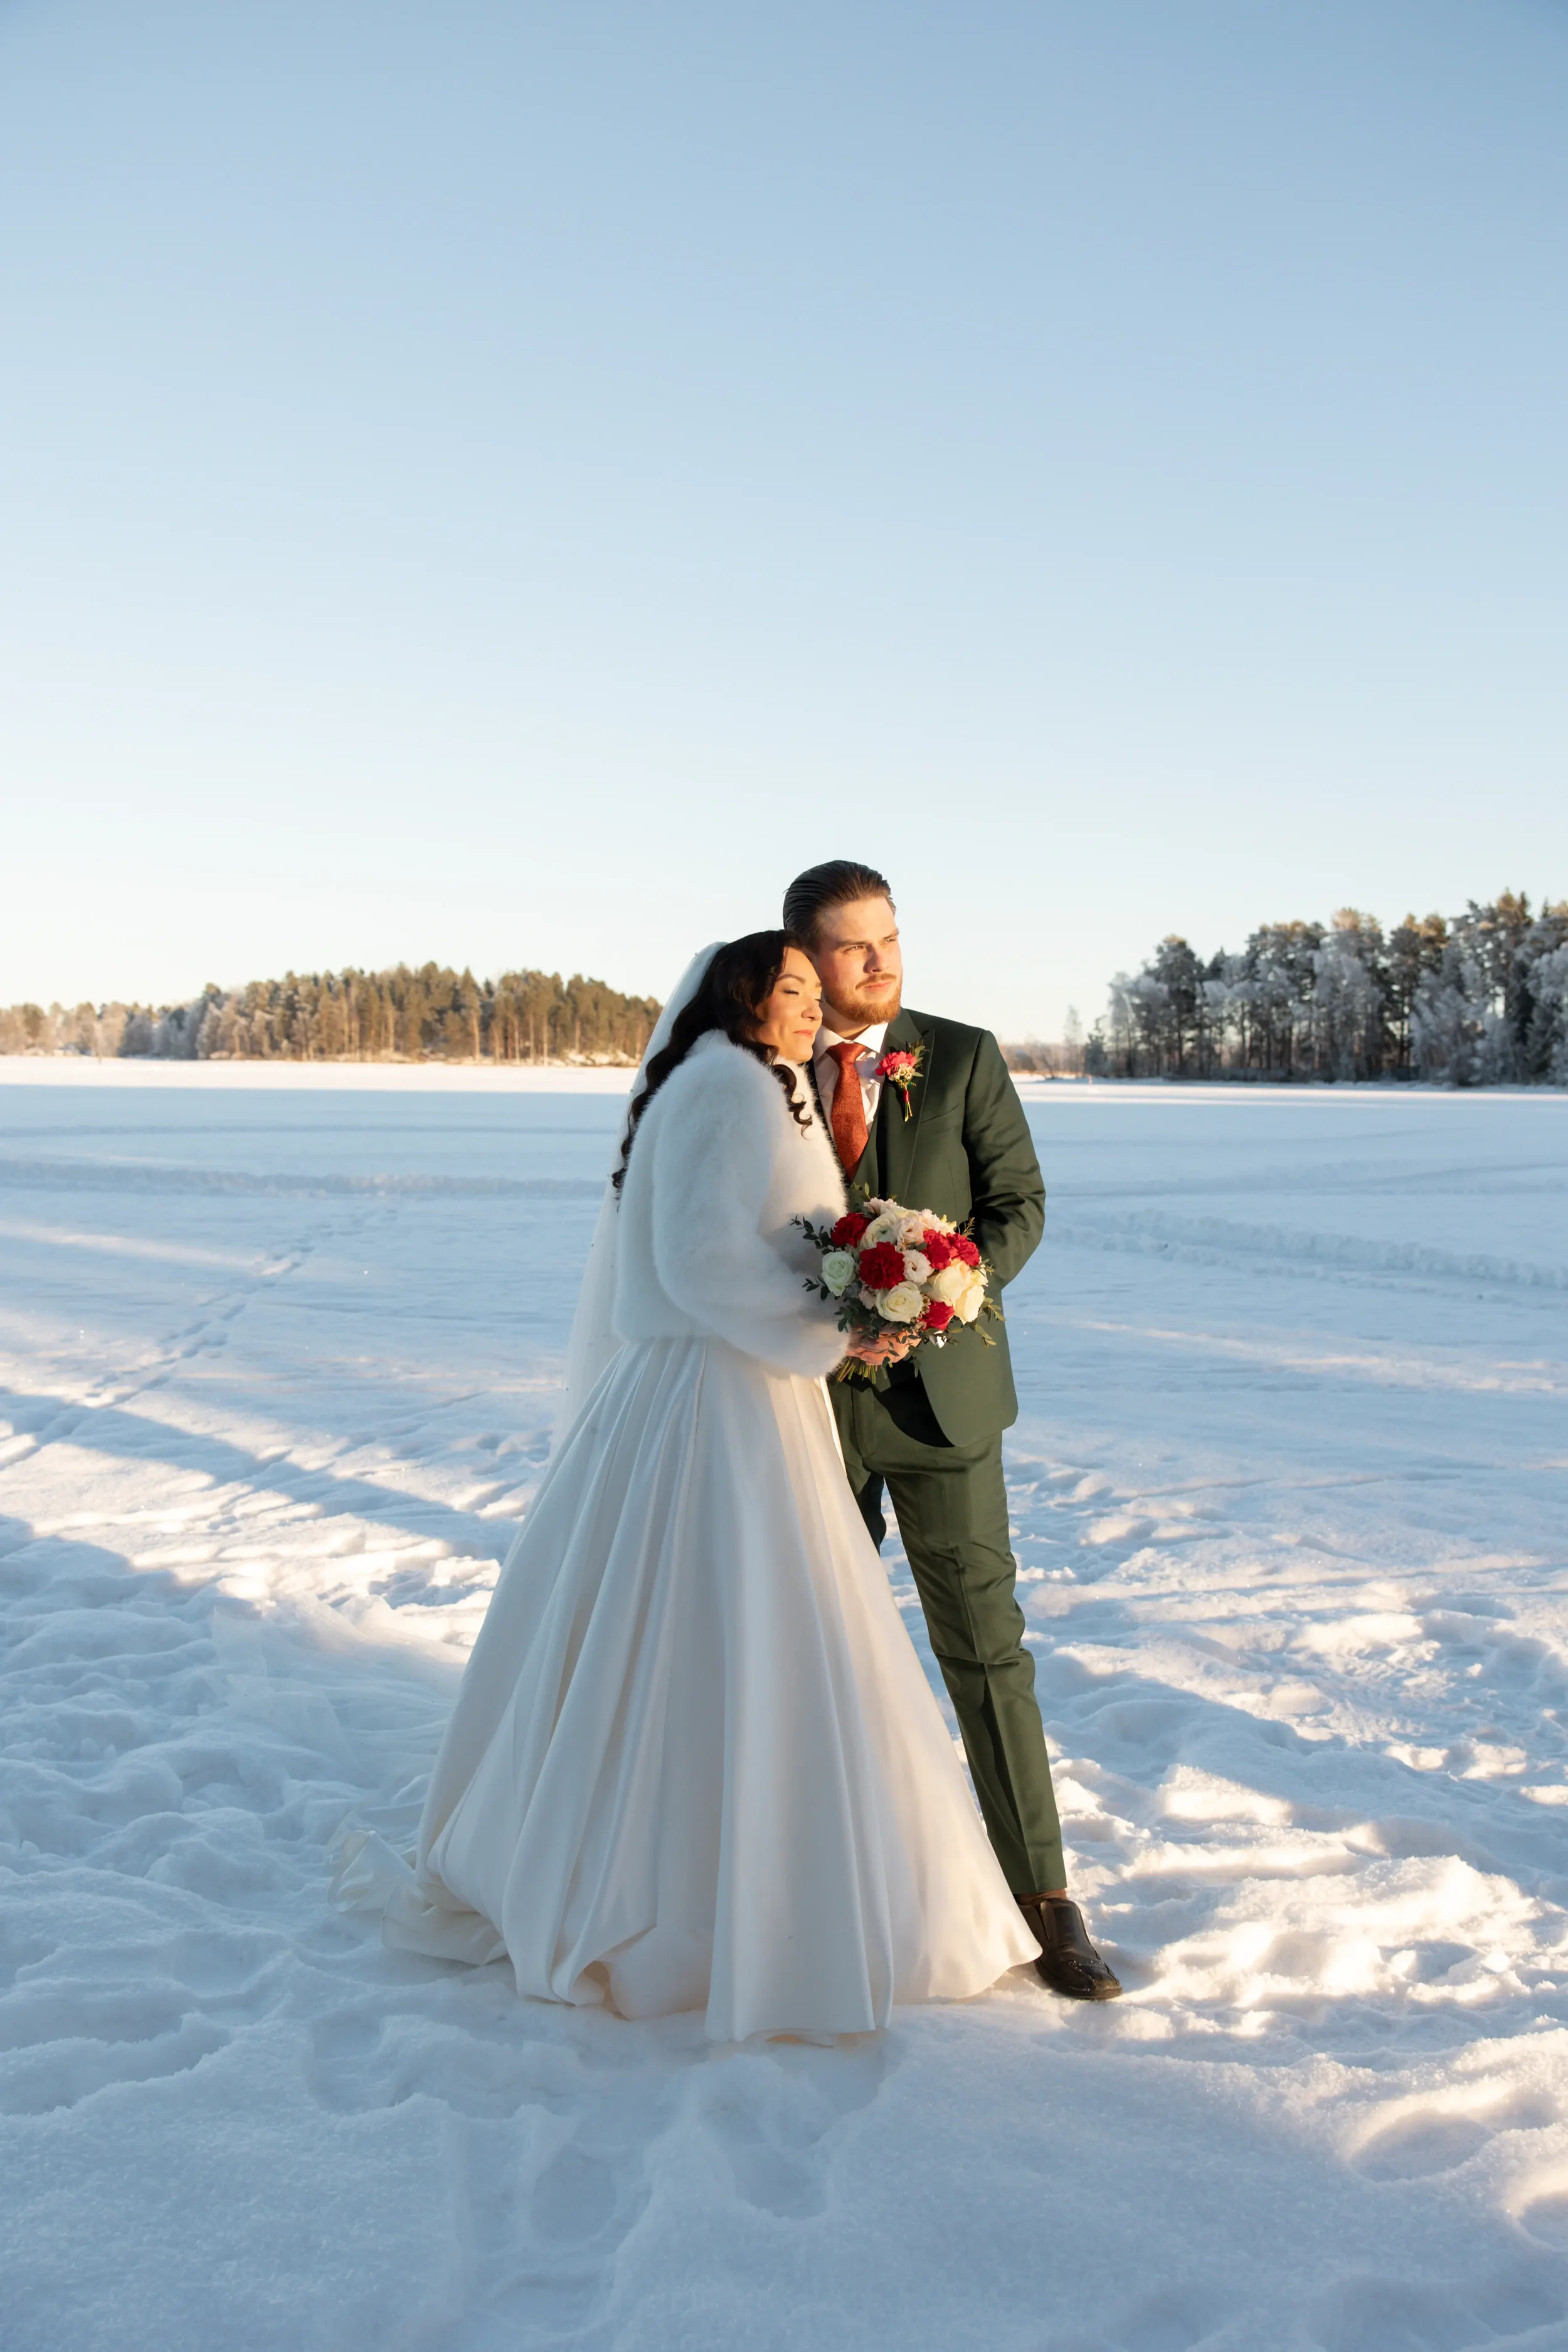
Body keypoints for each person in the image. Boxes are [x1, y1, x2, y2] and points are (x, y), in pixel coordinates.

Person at [334, 932, 1035, 2041]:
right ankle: (689, 1902)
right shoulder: (723, 1084)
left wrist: (868, 1288)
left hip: (755, 1386)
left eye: (819, 991)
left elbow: (776, 1241)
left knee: (756, 1627)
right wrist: (831, 1330)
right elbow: (696, 1263)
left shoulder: (768, 1086)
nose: (813, 1008)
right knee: (703, 1625)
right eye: (793, 988)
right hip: (710, 1395)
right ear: (742, 994)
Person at [783, 859, 1121, 2001]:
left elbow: (1018, 1202)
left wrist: (943, 1290)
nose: (883, 963)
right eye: (855, 947)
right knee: (804, 1645)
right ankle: (809, 1882)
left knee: (985, 1645)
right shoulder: (766, 1069)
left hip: (946, 1406)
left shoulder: (963, 1053)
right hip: (798, 1409)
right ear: (808, 960)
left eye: (891, 938)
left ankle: (1044, 1896)